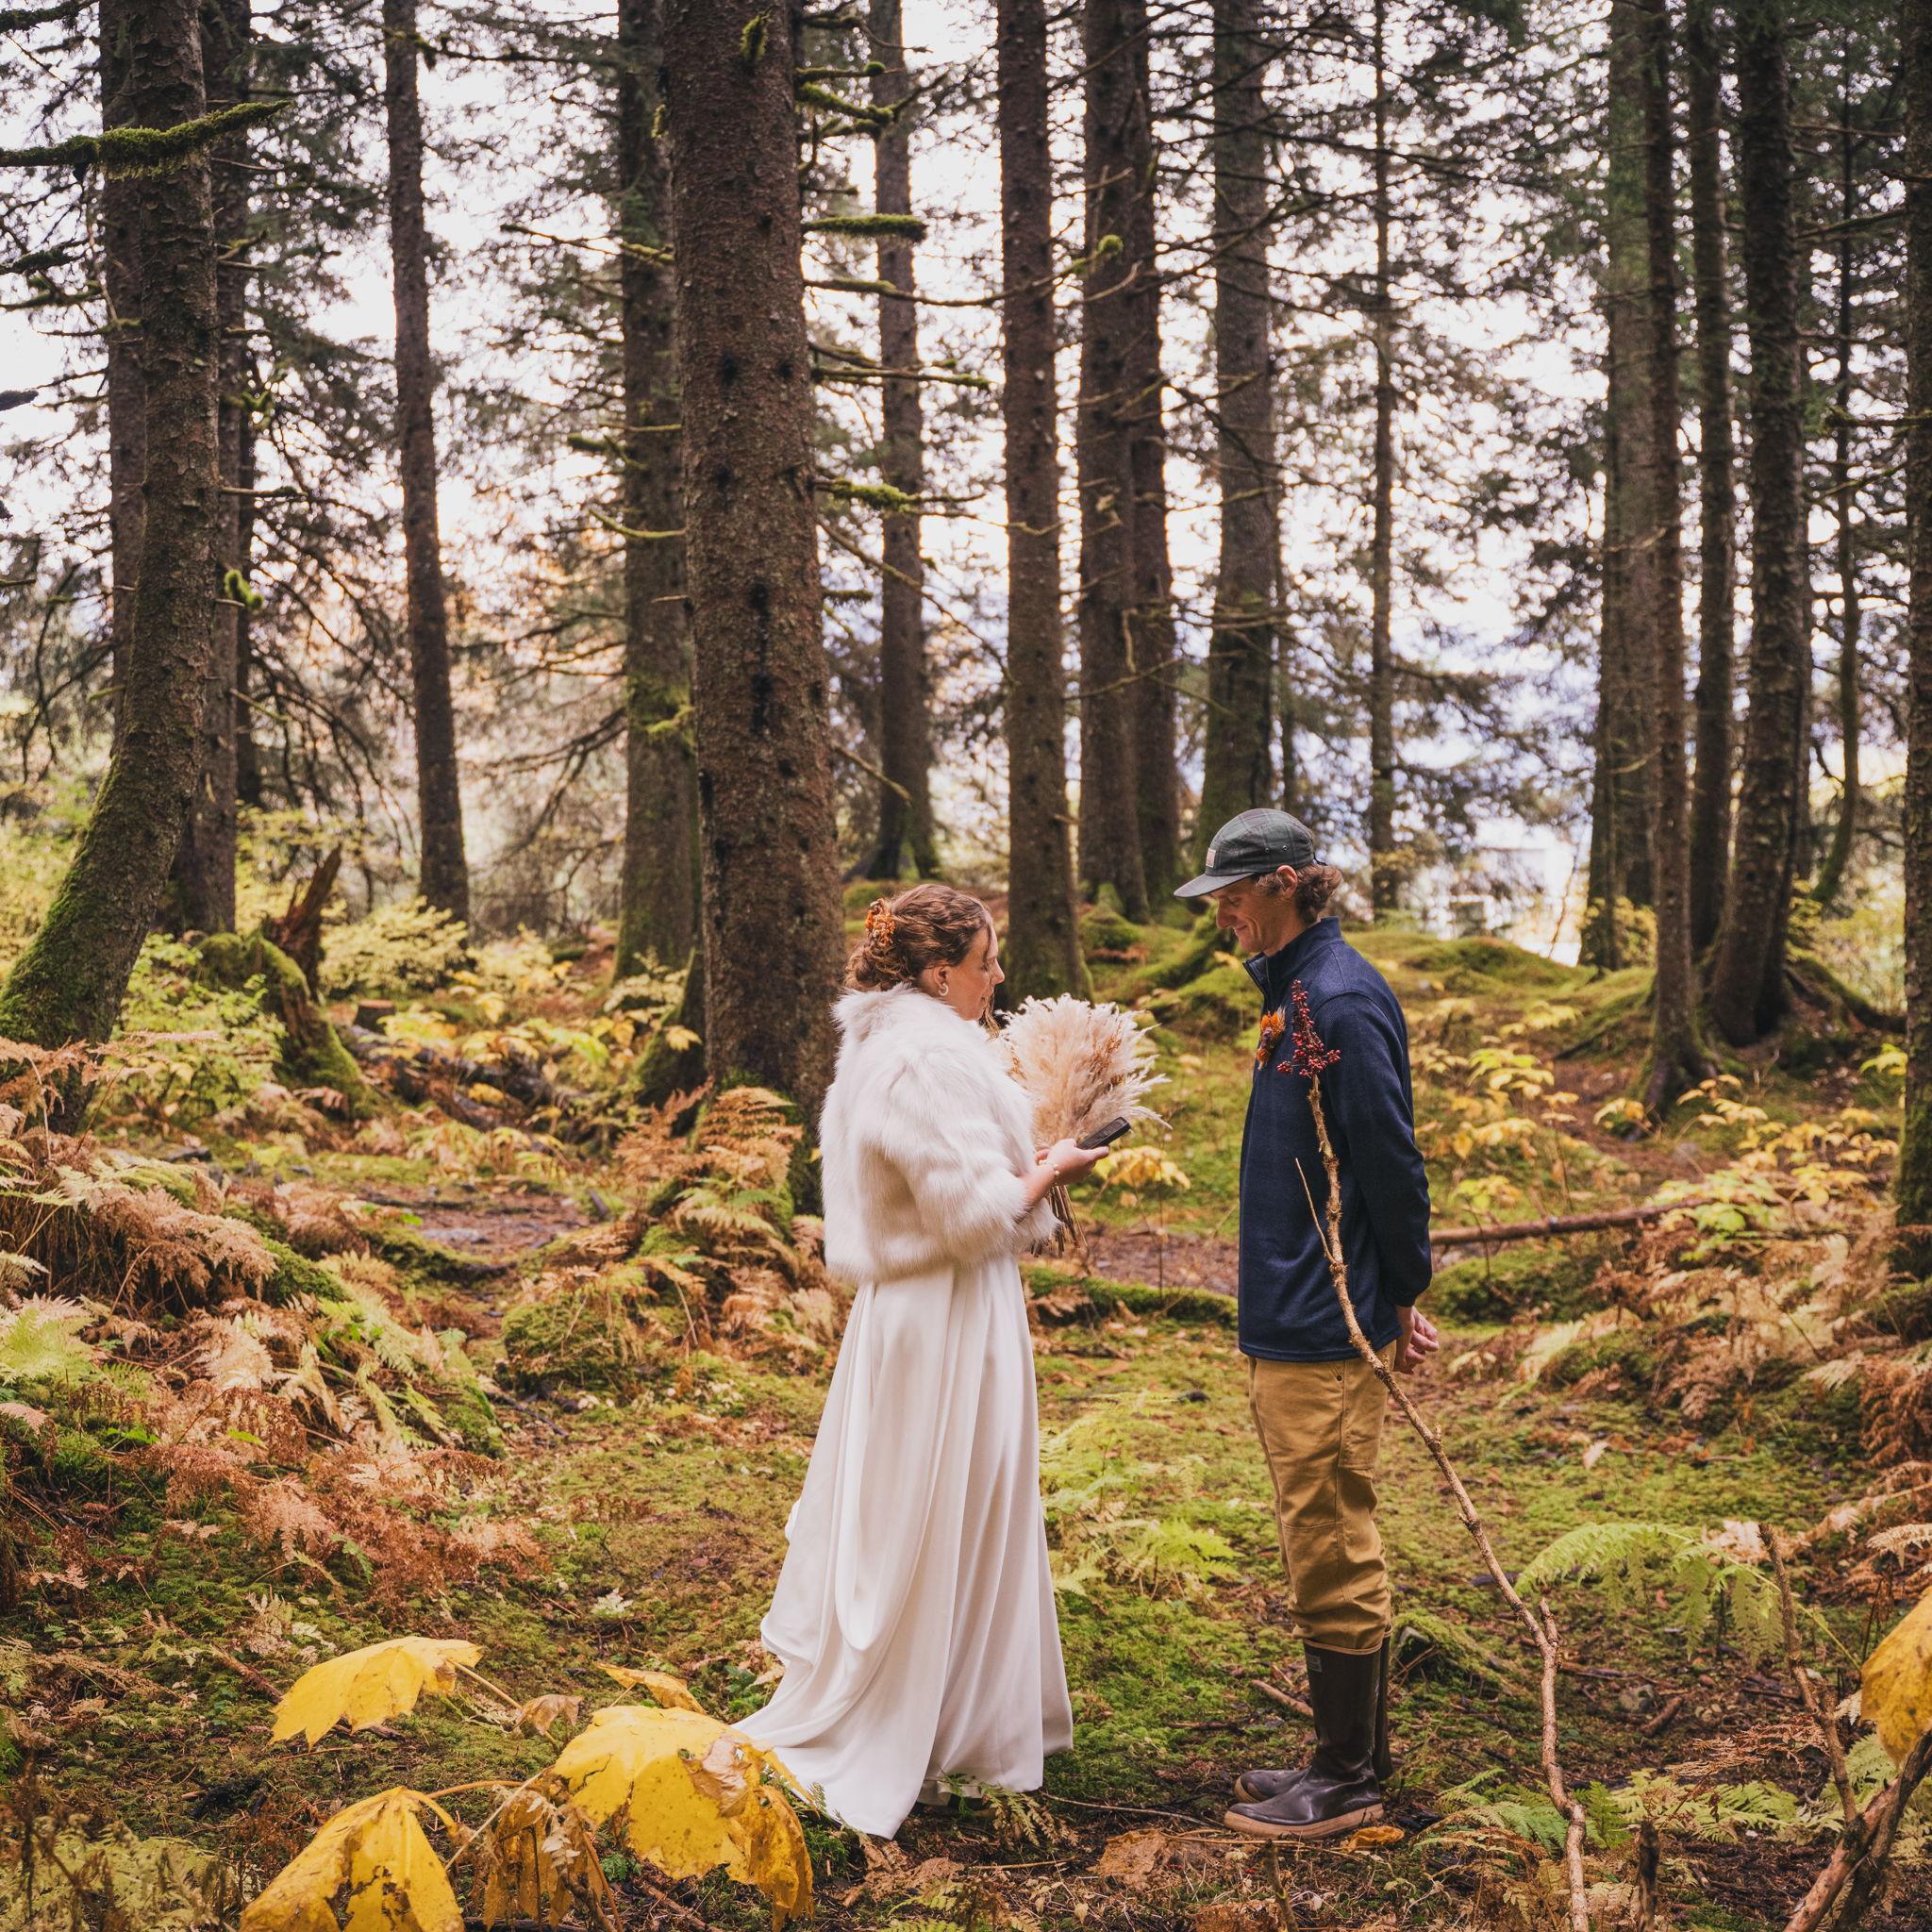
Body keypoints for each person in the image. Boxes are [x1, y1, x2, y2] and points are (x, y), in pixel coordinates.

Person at [741, 882, 1106, 1838]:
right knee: (933, 1506)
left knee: (941, 1505)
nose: (997, 976)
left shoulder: (888, 1041)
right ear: (939, 970)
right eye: (985, 961)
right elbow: (973, 1210)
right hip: (942, 1313)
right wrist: (1055, 1167)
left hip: (919, 1307)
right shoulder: (920, 1056)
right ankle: (920, 1719)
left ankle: (953, 1715)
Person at [1173, 809, 1440, 1841]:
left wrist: (1397, 1295)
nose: (1222, 911)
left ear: (1288, 882)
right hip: (1289, 1310)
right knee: (1309, 1533)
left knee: (1331, 1537)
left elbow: (1388, 1159)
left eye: (1235, 891)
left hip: (1326, 1321)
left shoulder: (1337, 997)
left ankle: (1349, 1779)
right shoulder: (1288, 992)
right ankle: (1341, 1760)